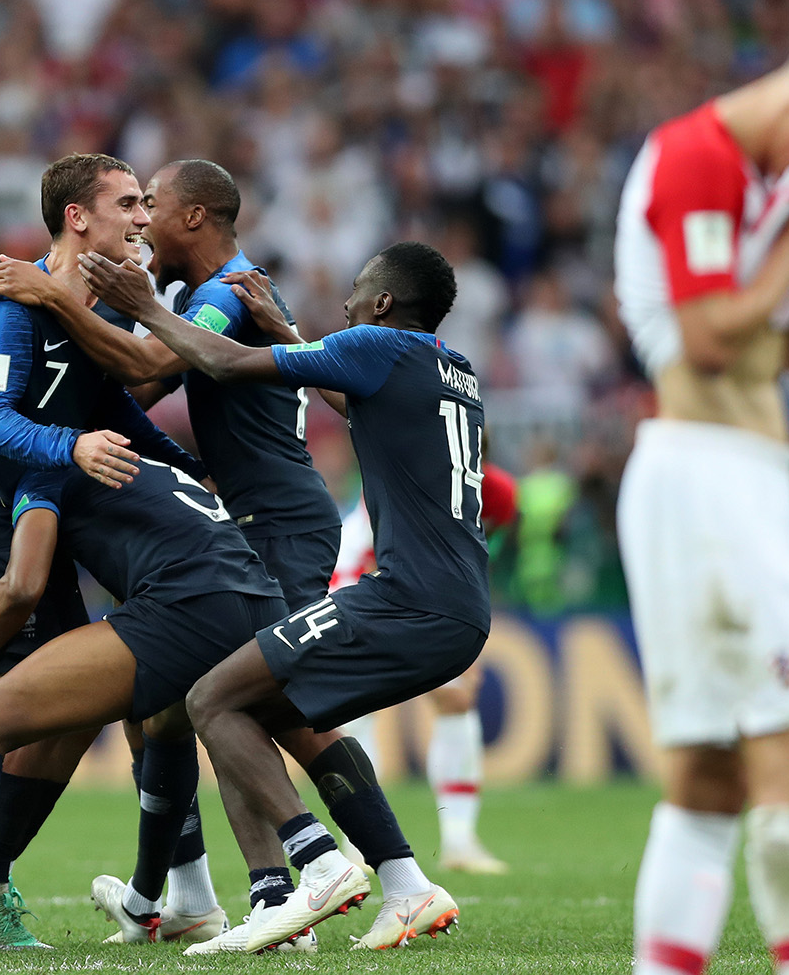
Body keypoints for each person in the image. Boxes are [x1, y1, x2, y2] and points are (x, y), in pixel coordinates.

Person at [0, 160, 447, 952]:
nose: (140, 223)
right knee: (165, 703)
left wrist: (61, 298)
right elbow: (133, 390)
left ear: (192, 218)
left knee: (259, 704)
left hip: (279, 525)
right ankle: (180, 896)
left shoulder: (230, 290)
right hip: (247, 519)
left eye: (149, 206)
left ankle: (387, 877)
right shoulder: (205, 298)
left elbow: (154, 368)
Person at [77, 239, 486, 954]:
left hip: (404, 598)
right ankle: (404, 886)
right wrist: (289, 332)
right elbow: (353, 400)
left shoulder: (372, 345)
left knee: (211, 697)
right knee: (259, 702)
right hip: (459, 604)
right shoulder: (455, 369)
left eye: (359, 291)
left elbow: (226, 363)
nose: (348, 303)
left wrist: (146, 308)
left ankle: (311, 870)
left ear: (383, 304)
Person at [611, 7, 789, 975]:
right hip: (713, 476)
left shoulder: (759, 183)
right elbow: (710, 339)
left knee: (706, 778)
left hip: (709, 479)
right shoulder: (699, 155)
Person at [0, 153, 211, 951]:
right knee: (39, 712)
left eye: (147, 202)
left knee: (80, 710)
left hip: (34, 526)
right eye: (127, 203)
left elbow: (114, 403)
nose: (144, 217)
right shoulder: (14, 301)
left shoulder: (95, 310)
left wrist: (191, 476)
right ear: (77, 217)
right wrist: (72, 448)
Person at [0, 442, 287, 955]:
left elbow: (22, 585)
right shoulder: (153, 461)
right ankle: (275, 887)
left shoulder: (49, 464)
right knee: (168, 724)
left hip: (188, 605)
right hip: (257, 597)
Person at [336, 458, 519, 875]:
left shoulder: (496, 490)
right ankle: (355, 846)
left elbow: (474, 555)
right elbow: (370, 551)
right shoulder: (410, 476)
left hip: (422, 589)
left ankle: (459, 841)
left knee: (455, 697)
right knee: (359, 714)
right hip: (363, 584)